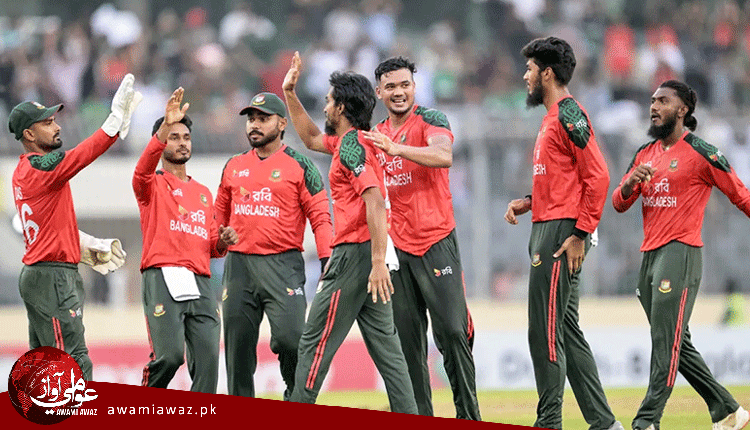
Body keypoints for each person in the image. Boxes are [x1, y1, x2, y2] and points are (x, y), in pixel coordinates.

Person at [282, 51, 417, 414]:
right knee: (389, 352)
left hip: (355, 255)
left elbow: (374, 199)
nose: (325, 107)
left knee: (314, 343)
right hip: (369, 254)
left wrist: (376, 262)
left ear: (341, 107)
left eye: (329, 101)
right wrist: (289, 93)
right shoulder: (354, 142)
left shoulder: (353, 147)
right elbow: (311, 138)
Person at [612, 79, 749, 430]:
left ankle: (647, 421)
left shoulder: (702, 152)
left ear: (683, 110)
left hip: (681, 252)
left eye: (663, 101)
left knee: (665, 341)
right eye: (652, 101)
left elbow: (740, 194)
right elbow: (619, 203)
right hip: (649, 255)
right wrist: (629, 183)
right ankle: (728, 410)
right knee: (674, 341)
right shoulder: (644, 154)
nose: (654, 107)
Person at [504, 37, 623, 430]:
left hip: (560, 233)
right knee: (566, 330)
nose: (525, 76)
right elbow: (564, 179)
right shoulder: (552, 117)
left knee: (544, 329)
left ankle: (549, 421)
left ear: (547, 73)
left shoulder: (569, 112)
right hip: (550, 224)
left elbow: (598, 175)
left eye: (530, 69)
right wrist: (530, 201)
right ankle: (604, 423)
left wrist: (580, 233)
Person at [360, 56, 480, 420]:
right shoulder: (375, 134)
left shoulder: (431, 119)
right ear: (379, 92)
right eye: (391, 87)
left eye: (404, 85)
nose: (399, 92)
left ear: (414, 87)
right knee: (408, 343)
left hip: (436, 242)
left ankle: (469, 416)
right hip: (396, 251)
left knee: (454, 333)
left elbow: (443, 155)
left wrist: (397, 149)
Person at [10, 73, 139, 380]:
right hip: (53, 277)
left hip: (43, 273)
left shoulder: (23, 171)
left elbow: (45, 226)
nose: (56, 127)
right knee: (73, 358)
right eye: (47, 123)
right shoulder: (39, 166)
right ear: (29, 133)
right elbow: (79, 158)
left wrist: (79, 243)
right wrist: (111, 126)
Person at [215, 91, 332, 399]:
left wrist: (327, 260)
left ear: (282, 124)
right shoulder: (233, 166)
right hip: (239, 268)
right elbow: (217, 220)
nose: (254, 124)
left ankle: (296, 398)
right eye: (251, 119)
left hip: (283, 265)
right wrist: (220, 240)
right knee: (238, 351)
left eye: (263, 119)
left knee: (292, 339)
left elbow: (321, 217)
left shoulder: (301, 165)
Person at [133, 87, 238, 393]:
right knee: (169, 357)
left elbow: (212, 246)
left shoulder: (203, 192)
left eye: (186, 137)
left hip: (201, 282)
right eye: (174, 137)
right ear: (161, 142)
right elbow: (141, 170)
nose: (182, 143)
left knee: (208, 363)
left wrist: (223, 240)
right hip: (163, 275)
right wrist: (165, 123)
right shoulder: (151, 184)